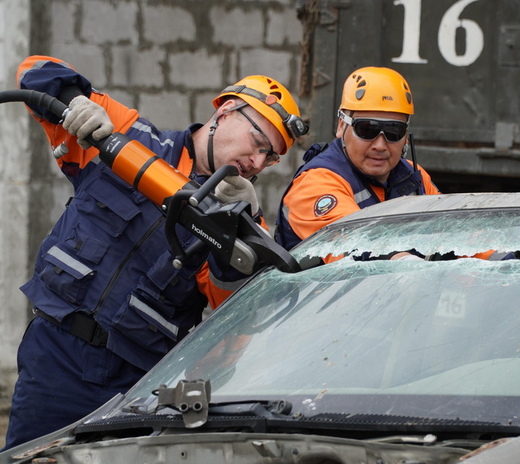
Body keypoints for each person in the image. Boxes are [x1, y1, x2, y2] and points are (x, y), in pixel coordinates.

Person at [3, 55, 307, 449]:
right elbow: (35, 70)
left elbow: (234, 322)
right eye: (259, 144)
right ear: (227, 111)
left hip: (134, 385)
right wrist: (77, 102)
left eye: (270, 158)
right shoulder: (130, 136)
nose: (257, 163)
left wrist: (234, 227)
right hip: (56, 355)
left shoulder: (240, 223)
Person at [274, 66, 440, 253]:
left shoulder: (414, 177)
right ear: (341, 126)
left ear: (405, 136)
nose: (380, 145)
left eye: (394, 131)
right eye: (367, 129)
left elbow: (453, 236)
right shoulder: (315, 184)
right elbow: (355, 245)